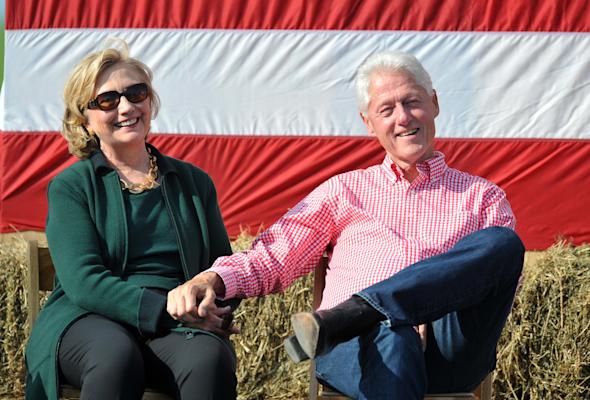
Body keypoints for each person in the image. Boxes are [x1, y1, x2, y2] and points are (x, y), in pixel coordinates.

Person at [167, 51, 525, 399]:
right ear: (369, 123)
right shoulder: (344, 191)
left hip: (448, 349)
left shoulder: (483, 197)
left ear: (434, 103)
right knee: (391, 334)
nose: (403, 117)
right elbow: (275, 255)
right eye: (386, 109)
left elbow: (502, 286)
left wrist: (417, 311)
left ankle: (361, 309)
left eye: (412, 102)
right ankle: (369, 316)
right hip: (358, 345)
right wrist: (210, 279)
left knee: (503, 244)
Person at [25, 40, 239, 400]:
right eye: (107, 100)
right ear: (85, 120)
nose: (126, 107)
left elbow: (223, 267)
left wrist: (209, 305)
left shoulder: (193, 182)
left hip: (176, 326)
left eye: (136, 93)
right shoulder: (72, 187)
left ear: (150, 101)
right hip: (89, 318)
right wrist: (167, 310)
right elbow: (84, 283)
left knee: (209, 358)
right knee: (115, 356)